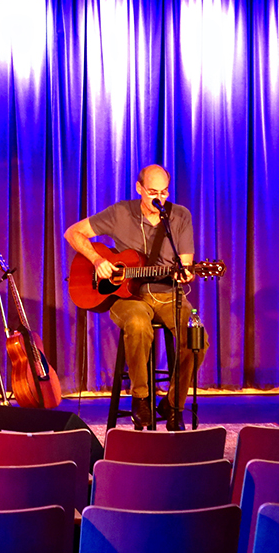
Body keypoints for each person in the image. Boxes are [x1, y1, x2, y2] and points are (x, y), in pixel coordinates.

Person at [63, 164, 209, 431]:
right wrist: (97, 260)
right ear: (139, 189)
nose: (159, 199)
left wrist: (185, 274)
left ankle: (173, 404)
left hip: (168, 296)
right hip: (128, 298)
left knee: (197, 337)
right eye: (152, 192)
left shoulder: (180, 216)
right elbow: (72, 232)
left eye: (164, 192)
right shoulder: (120, 212)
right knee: (139, 325)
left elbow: (186, 264)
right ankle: (141, 398)